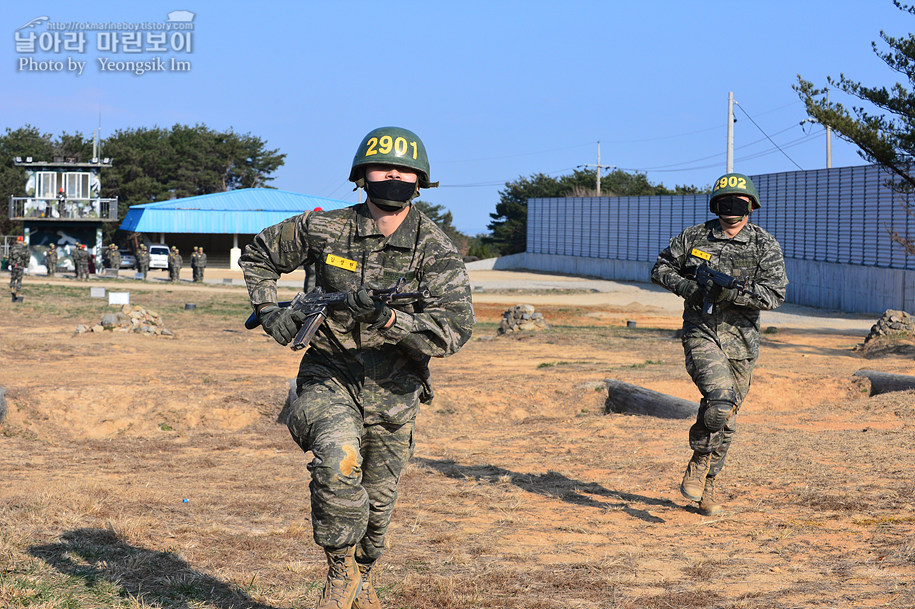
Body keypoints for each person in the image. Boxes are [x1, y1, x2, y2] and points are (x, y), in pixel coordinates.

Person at [240, 126, 474, 609]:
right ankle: (337, 570)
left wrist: (388, 318)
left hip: (396, 387)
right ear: (361, 175)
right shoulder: (323, 228)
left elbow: (453, 330)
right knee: (336, 460)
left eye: (404, 169)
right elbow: (260, 254)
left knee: (378, 500)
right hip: (330, 372)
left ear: (420, 179)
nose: (393, 175)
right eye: (382, 167)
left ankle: (364, 575)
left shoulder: (435, 248)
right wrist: (269, 312)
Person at [651, 172, 787, 516]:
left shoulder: (764, 245)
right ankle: (699, 459)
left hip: (741, 342)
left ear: (751, 206)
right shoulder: (695, 236)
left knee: (725, 419)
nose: (731, 209)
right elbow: (661, 268)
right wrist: (690, 289)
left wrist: (734, 292)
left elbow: (775, 295)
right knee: (719, 398)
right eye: (724, 202)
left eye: (739, 203)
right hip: (701, 331)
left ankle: (707, 485)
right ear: (715, 205)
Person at [8, 236, 29, 301]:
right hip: (21, 265)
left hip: (15, 265)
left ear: (17, 240)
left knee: (13, 277)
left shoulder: (13, 247)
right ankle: (18, 291)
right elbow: (27, 257)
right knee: (19, 279)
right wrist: (26, 266)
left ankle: (12, 287)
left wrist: (10, 264)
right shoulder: (24, 248)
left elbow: (10, 257)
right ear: (22, 241)